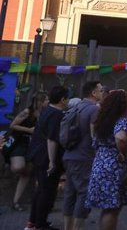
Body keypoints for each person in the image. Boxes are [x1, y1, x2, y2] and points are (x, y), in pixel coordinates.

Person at [86, 90, 127, 230]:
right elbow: (120, 137)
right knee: (112, 209)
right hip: (114, 168)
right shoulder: (120, 121)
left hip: (100, 164)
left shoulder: (101, 121)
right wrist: (125, 154)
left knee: (106, 208)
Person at [26, 85, 69, 230]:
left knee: (41, 190)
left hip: (37, 155)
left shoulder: (46, 111)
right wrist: (51, 162)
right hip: (46, 157)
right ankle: (40, 224)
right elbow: (52, 139)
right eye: (66, 98)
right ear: (62, 99)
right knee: (47, 192)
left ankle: (33, 222)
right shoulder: (56, 114)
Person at [62, 81, 104, 230]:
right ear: (93, 93)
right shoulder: (94, 110)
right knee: (84, 193)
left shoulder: (76, 106)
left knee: (69, 193)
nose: (102, 92)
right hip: (84, 157)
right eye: (100, 90)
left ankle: (68, 227)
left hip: (69, 154)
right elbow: (95, 136)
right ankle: (77, 228)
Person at [8, 91, 48, 211]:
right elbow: (13, 125)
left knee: (27, 172)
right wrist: (29, 130)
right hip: (21, 142)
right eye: (46, 100)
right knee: (18, 168)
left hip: (34, 145)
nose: (48, 102)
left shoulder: (44, 113)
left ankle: (15, 202)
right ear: (40, 101)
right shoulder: (27, 112)